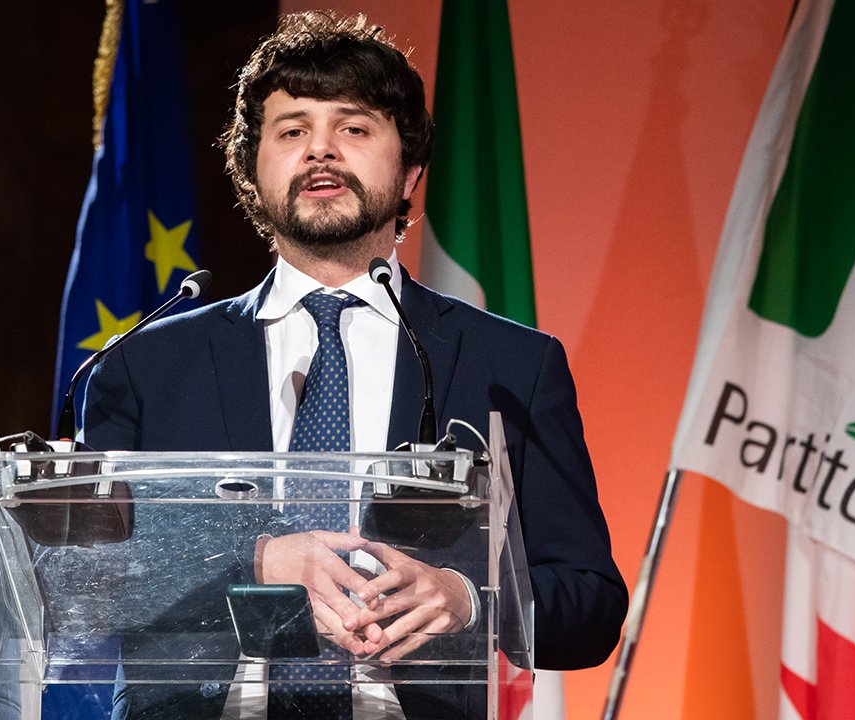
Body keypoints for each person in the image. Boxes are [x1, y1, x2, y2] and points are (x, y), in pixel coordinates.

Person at [82, 11, 627, 720]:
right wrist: (257, 557)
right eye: (291, 131)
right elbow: (85, 580)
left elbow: (590, 605)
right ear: (251, 171)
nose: (320, 150)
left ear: (410, 173)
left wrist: (468, 599)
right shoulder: (144, 366)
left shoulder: (511, 365)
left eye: (354, 128)